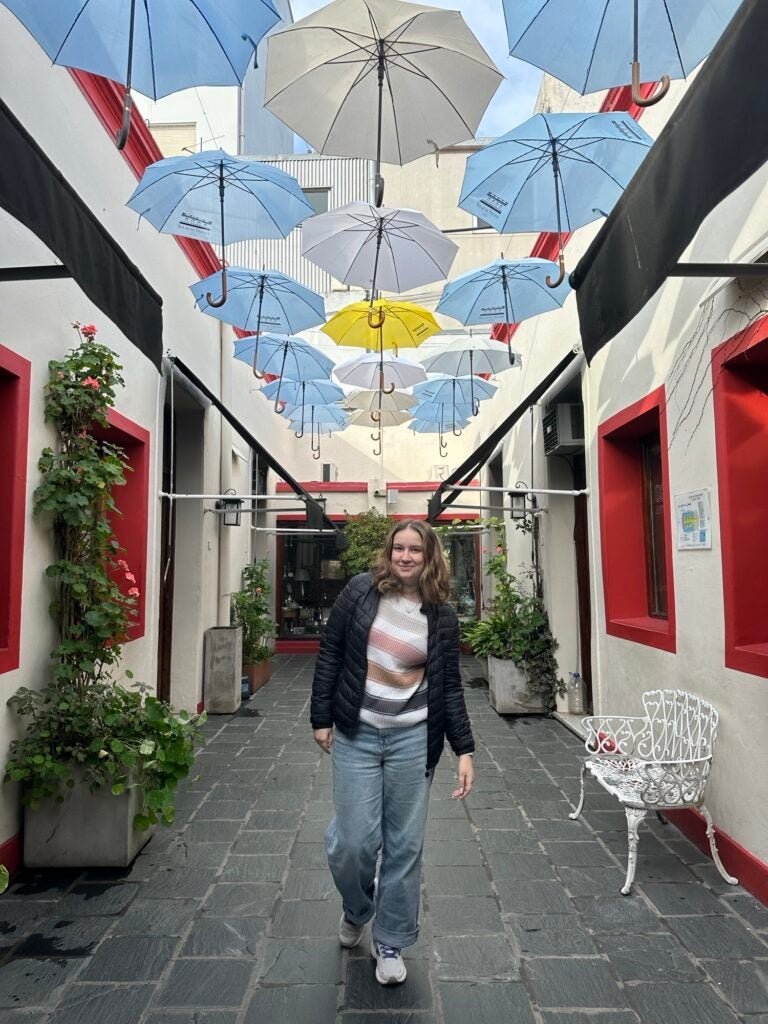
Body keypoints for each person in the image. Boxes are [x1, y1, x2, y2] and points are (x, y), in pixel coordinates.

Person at [311, 519, 475, 986]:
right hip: (357, 732)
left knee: (404, 845)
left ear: (429, 557)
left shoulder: (441, 612)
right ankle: (357, 907)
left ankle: (390, 939)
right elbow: (330, 653)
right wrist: (321, 717)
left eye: (415, 551)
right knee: (354, 843)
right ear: (389, 552)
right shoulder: (360, 592)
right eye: (399, 548)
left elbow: (450, 685)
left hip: (412, 737)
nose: (405, 557)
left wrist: (464, 749)